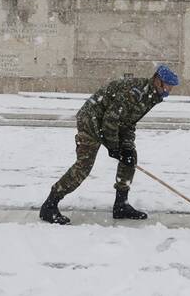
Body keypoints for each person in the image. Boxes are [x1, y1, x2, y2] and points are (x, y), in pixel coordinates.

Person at [39, 64, 180, 225]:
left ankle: (121, 204)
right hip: (90, 120)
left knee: (130, 158)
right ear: (157, 81)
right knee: (84, 165)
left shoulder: (151, 95)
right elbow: (111, 119)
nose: (169, 90)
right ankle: (49, 205)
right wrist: (114, 147)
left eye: (172, 87)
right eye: (168, 85)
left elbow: (128, 122)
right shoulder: (136, 92)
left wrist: (126, 147)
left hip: (107, 122)